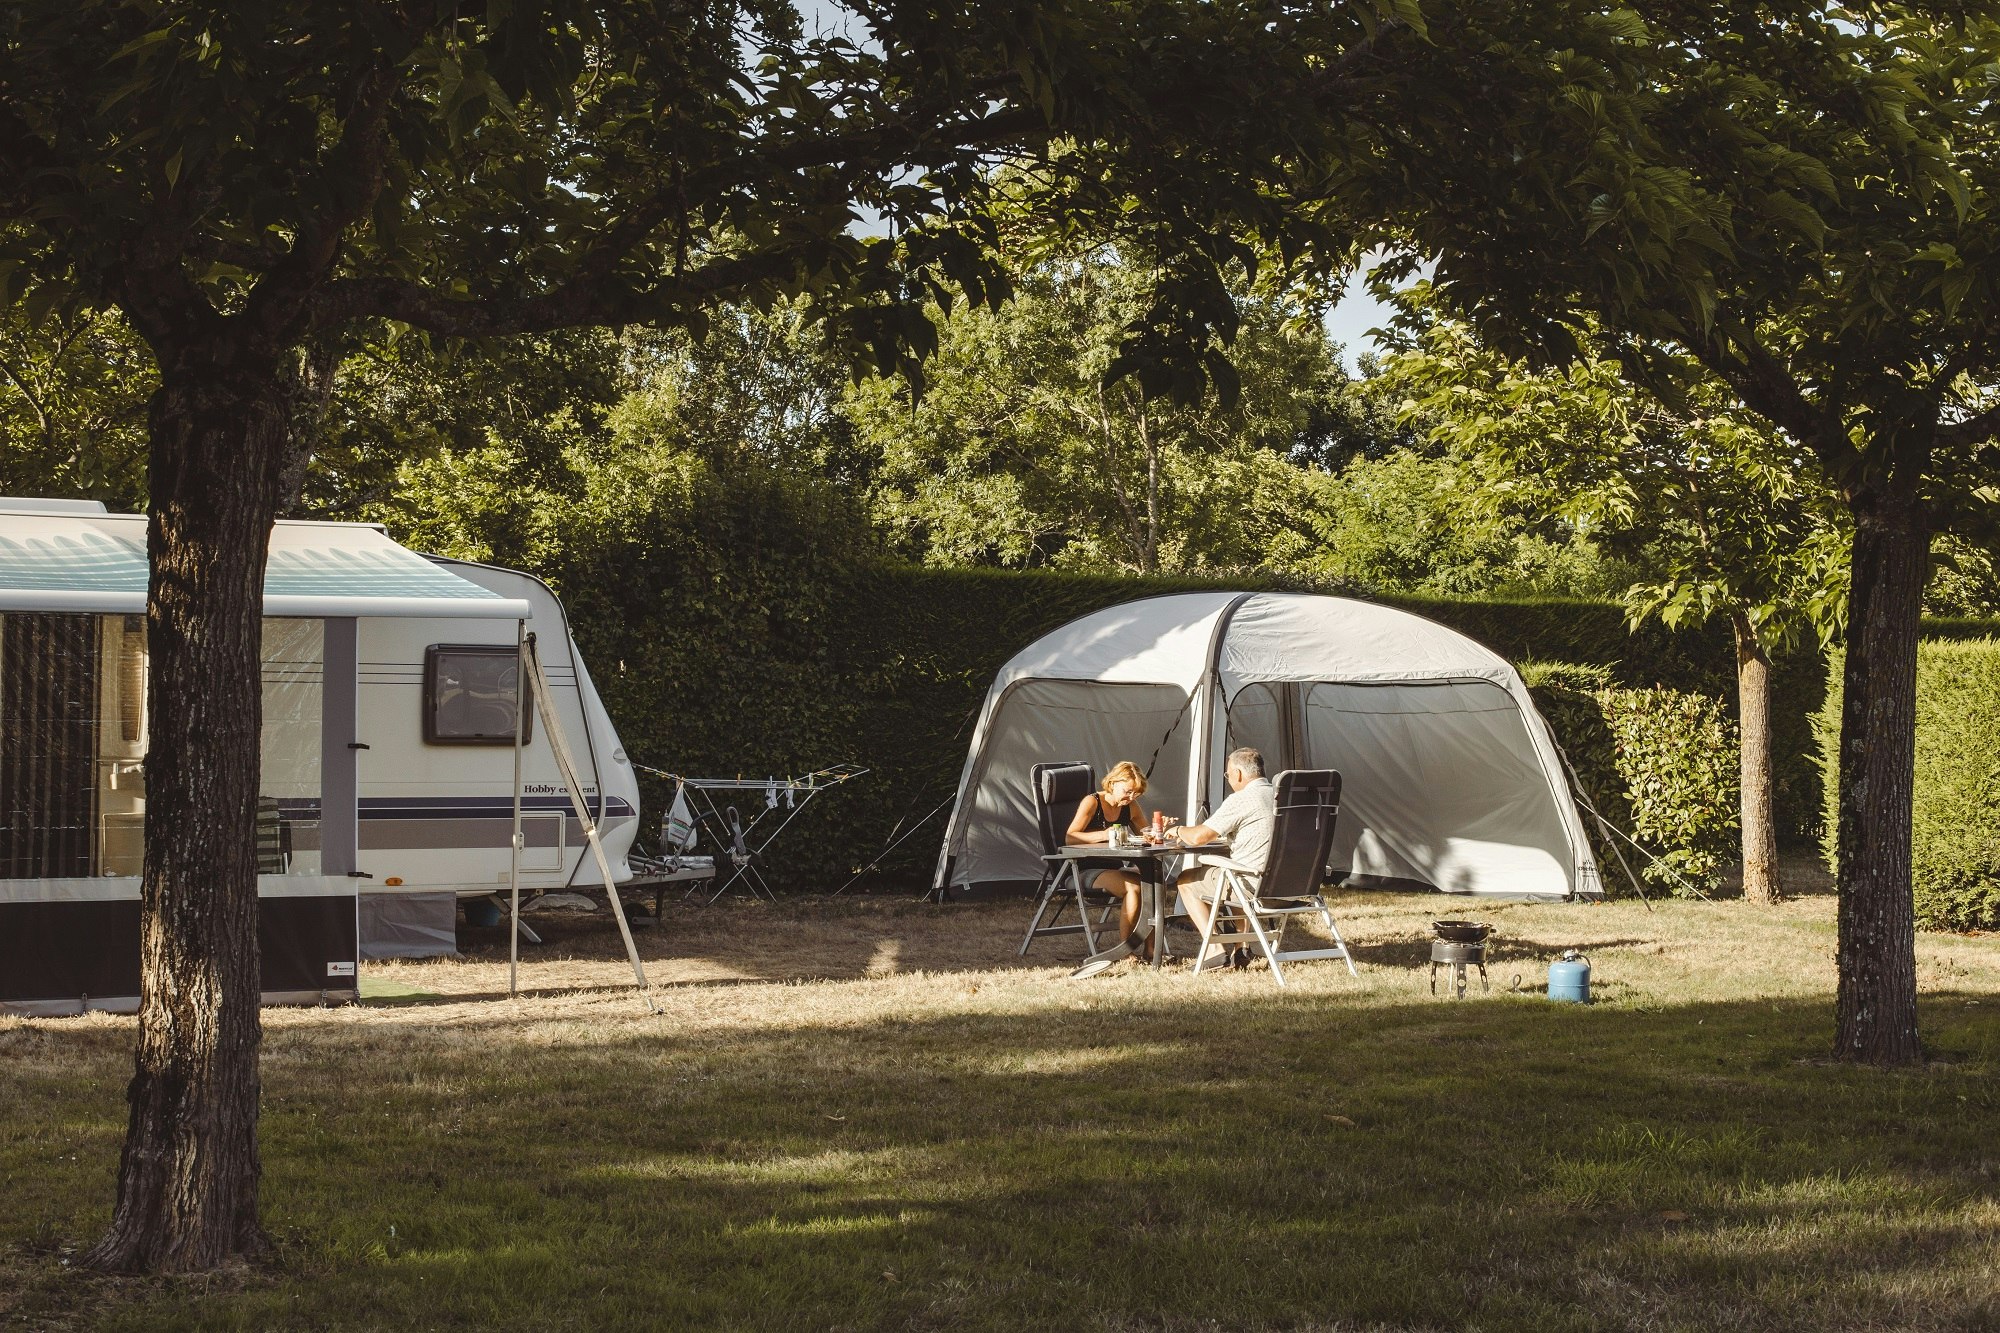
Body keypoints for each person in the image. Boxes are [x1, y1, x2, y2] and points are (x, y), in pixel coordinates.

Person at [1168, 746, 1275, 968]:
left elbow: (1198, 837)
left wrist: (1178, 830)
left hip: (1253, 886)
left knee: (1187, 880)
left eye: (1227, 775)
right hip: (1289, 888)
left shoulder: (1242, 799)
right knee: (1237, 867)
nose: (1228, 780)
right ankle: (1240, 946)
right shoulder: (1280, 795)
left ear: (1238, 774)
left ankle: (1214, 949)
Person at [1064, 760, 1155, 958]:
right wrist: (1103, 835)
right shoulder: (1093, 802)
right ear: (1113, 783)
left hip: (1114, 866)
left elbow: (1146, 834)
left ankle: (1151, 951)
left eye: (1136, 793)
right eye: (1128, 791)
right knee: (1134, 887)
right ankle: (1125, 950)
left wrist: (1157, 832)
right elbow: (1070, 837)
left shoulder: (1130, 806)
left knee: (1153, 884)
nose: (1131, 797)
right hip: (1084, 868)